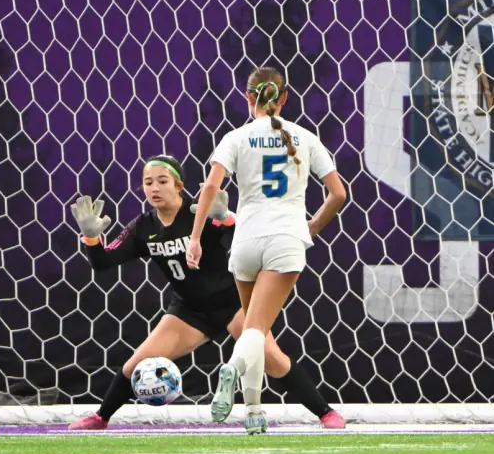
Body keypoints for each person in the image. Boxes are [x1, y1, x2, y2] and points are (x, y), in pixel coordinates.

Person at [68, 154, 345, 431]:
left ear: (179, 185)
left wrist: (225, 220)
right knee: (135, 366)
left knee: (273, 360)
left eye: (162, 181)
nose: (155, 188)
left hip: (234, 303)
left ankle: (326, 413)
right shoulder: (143, 227)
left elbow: (239, 242)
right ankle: (101, 417)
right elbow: (102, 262)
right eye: (148, 182)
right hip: (189, 310)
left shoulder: (200, 212)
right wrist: (91, 238)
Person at [187, 66, 346, 434]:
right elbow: (338, 193)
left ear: (248, 97)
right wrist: (313, 225)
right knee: (256, 330)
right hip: (284, 239)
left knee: (255, 329)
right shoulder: (304, 137)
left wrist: (195, 237)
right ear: (285, 97)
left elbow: (211, 186)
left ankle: (254, 412)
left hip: (245, 240)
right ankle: (232, 369)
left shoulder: (235, 137)